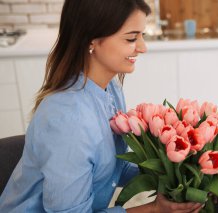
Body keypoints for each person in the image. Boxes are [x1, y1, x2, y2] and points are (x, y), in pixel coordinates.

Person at [0, 0, 202, 212]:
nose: (143, 47)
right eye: (131, 38)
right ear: (92, 40)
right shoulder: (69, 121)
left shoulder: (109, 89)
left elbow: (112, 166)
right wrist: (153, 209)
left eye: (142, 36)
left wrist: (175, 173)